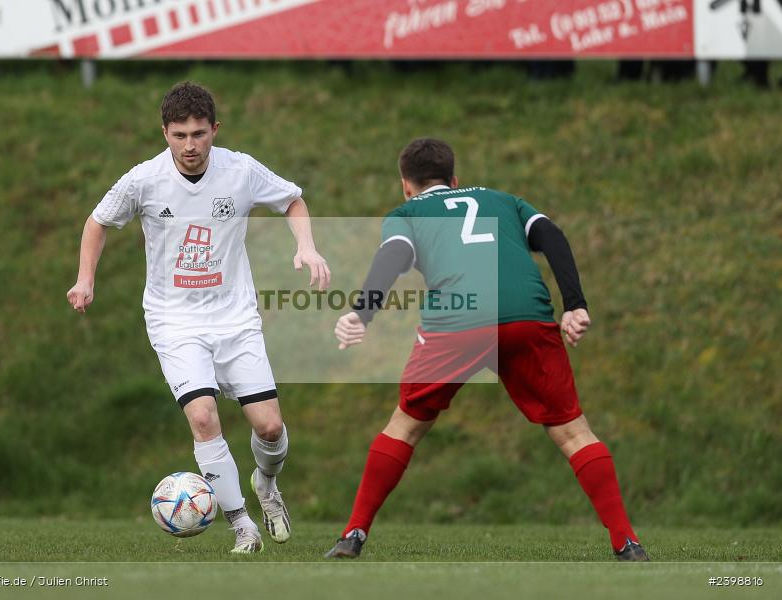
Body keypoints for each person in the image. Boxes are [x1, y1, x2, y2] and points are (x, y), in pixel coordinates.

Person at [325, 138, 647, 561]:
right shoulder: (505, 201)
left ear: (405, 184)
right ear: (455, 179)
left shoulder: (407, 213)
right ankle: (626, 541)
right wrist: (575, 305)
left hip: (457, 322)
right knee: (573, 431)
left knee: (405, 426)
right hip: (526, 316)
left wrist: (361, 314)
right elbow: (552, 235)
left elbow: (396, 255)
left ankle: (353, 534)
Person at [67, 81, 330, 553]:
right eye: (179, 135)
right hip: (174, 321)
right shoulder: (143, 180)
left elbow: (292, 199)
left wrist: (306, 247)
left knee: (269, 426)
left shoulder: (240, 170)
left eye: (200, 134)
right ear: (164, 132)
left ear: (215, 130)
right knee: (204, 416)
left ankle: (266, 487)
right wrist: (86, 278)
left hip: (235, 317)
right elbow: (98, 221)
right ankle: (241, 524)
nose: (190, 146)